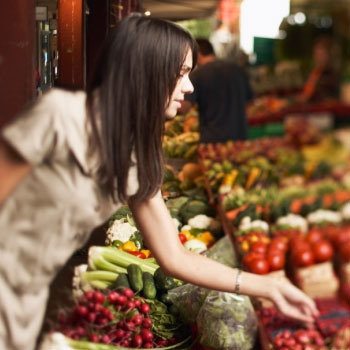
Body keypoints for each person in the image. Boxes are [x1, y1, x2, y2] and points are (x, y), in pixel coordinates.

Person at [0, 15, 318, 350]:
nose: (190, 87)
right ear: (147, 71)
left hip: (26, 303)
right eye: (181, 73)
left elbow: (175, 258)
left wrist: (268, 287)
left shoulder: (135, 156)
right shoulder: (60, 116)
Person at [180, 38, 254, 143]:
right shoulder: (237, 70)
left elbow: (184, 108)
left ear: (197, 54)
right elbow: (250, 101)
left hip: (212, 141)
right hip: (240, 139)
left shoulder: (197, 75)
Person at [297, 35, 340, 103]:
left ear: (329, 55)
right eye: (316, 54)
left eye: (321, 55)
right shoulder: (315, 73)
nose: (318, 58)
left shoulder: (330, 76)